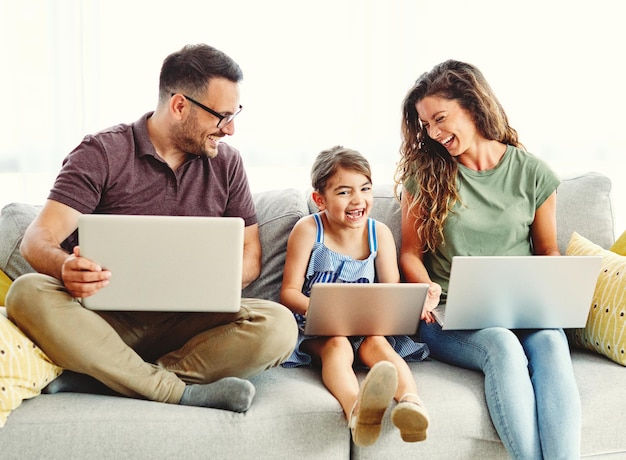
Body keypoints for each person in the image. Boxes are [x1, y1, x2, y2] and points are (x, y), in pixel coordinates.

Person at [5, 44, 297, 413]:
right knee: (26, 292)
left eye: (234, 115)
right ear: (179, 106)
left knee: (279, 325)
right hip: (103, 323)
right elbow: (37, 239)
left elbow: (251, 253)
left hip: (189, 327)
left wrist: (214, 277)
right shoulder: (102, 153)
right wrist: (65, 267)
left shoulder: (227, 164)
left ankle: (112, 378)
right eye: (222, 117)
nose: (231, 129)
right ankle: (176, 391)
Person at [395, 59, 581, 459]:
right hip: (448, 313)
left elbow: (547, 249)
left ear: (473, 105)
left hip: (522, 310)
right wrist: (423, 285)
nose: (434, 132)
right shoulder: (425, 174)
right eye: (426, 124)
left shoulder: (532, 173)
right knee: (501, 345)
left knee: (551, 341)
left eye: (440, 118)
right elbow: (410, 253)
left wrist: (555, 287)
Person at [280, 146, 430, 447]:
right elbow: (289, 293)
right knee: (338, 347)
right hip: (318, 327)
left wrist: (416, 300)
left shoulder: (380, 234)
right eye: (344, 192)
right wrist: (326, 313)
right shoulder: (309, 230)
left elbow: (390, 290)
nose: (358, 199)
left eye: (365, 188)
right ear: (319, 199)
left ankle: (412, 405)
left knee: (379, 347)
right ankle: (356, 411)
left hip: (365, 326)